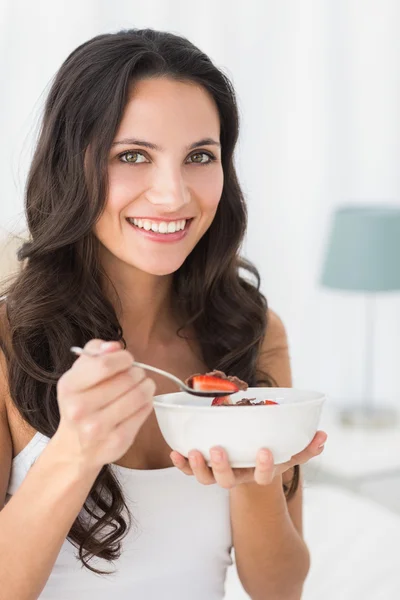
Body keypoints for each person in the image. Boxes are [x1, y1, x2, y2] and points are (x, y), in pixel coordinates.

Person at [0, 28, 327, 600]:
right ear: (67, 166)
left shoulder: (253, 332)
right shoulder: (8, 341)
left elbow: (279, 590)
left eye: (200, 156)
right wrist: (76, 447)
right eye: (132, 156)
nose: (174, 195)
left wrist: (254, 480)